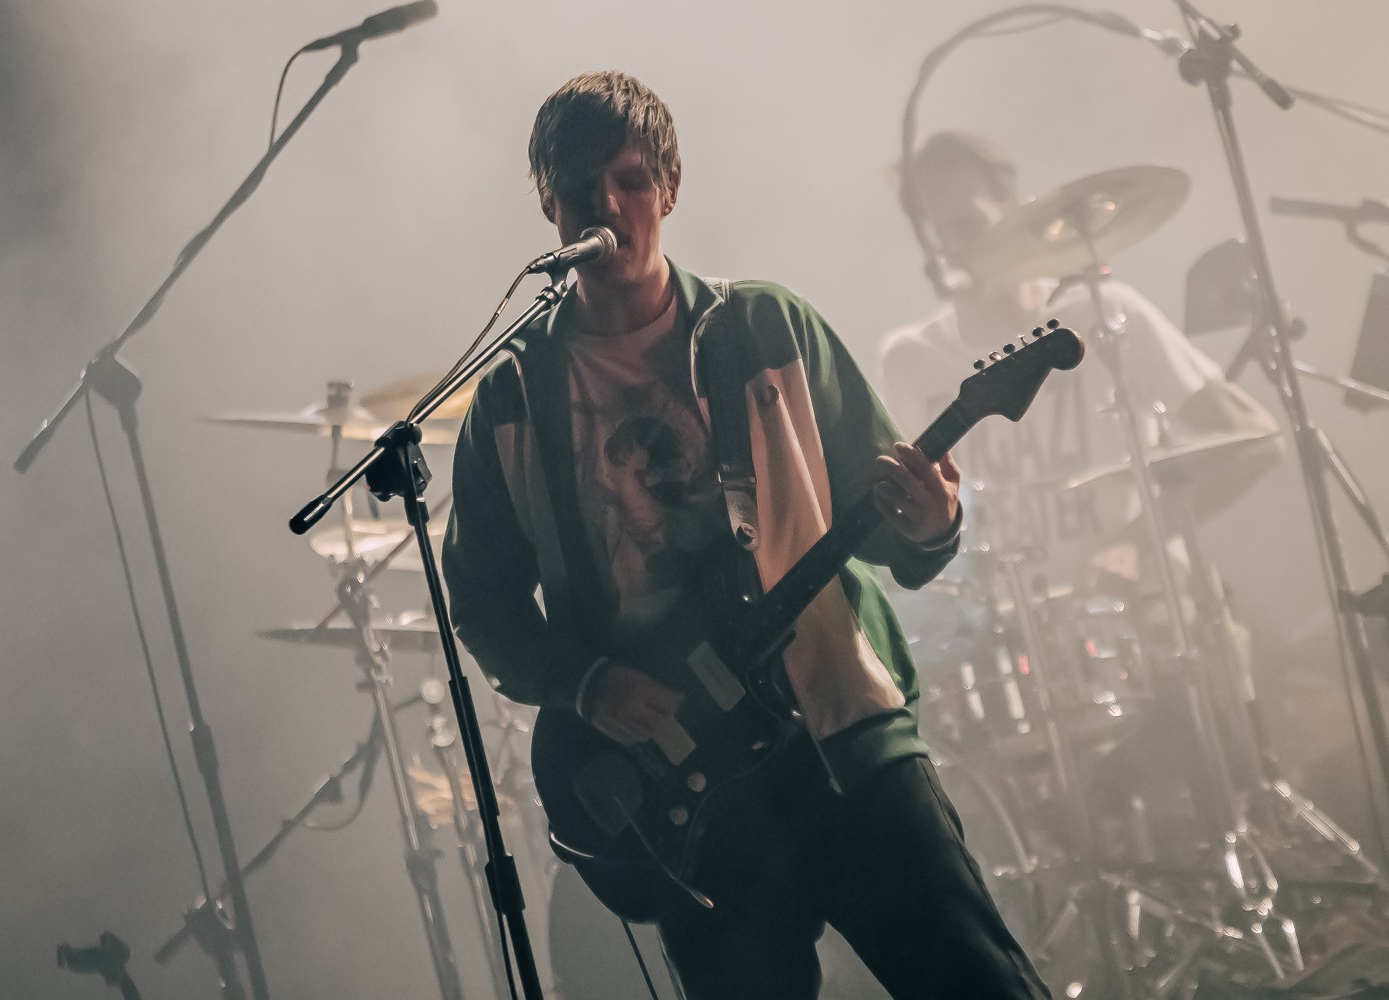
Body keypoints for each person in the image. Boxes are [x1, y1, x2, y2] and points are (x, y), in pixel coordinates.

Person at [442, 72, 1050, 1000]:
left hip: (840, 735)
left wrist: (933, 523)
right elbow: (482, 601)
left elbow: (893, 530)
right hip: (687, 796)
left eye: (630, 180)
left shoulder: (767, 327)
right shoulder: (512, 396)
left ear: (669, 188)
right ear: (549, 206)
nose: (607, 207)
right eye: (579, 189)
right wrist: (585, 684)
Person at [881, 131, 1284, 589]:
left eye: (968, 225)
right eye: (938, 233)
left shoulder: (1103, 312)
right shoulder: (910, 361)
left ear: (1012, 209)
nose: (953, 250)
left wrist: (1135, 541)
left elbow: (1256, 439)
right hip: (1010, 623)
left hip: (1147, 602)